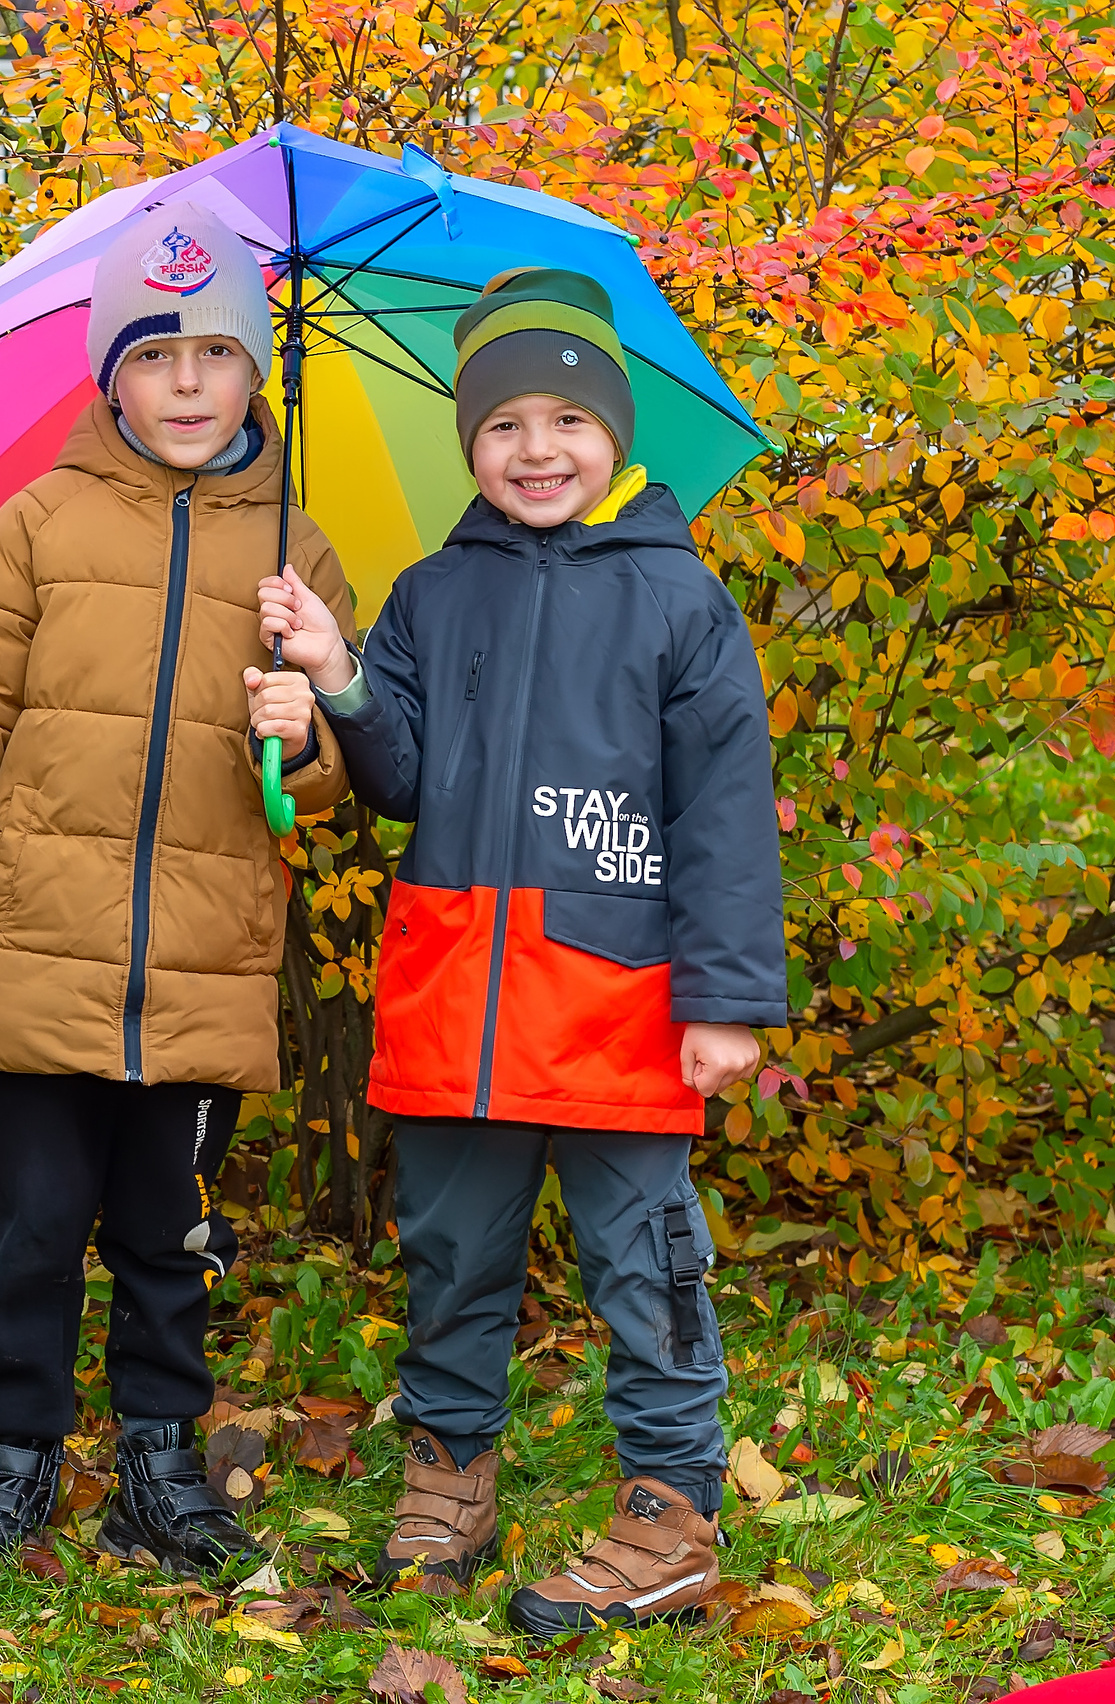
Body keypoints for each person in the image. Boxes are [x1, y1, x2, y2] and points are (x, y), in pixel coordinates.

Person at [262, 267, 783, 1632]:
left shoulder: (682, 602)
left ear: (615, 433)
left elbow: (725, 815)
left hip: (618, 996)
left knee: (644, 1256)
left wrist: (726, 1001)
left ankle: (670, 1507)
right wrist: (337, 676)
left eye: (566, 420)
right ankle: (450, 1471)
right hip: (460, 994)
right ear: (469, 443)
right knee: (452, 1248)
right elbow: (400, 778)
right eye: (503, 425)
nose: (536, 449)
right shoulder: (436, 591)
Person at [0, 201, 356, 1584]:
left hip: (198, 967)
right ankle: (13, 1464)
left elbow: (325, 786)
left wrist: (302, 730)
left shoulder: (295, 554)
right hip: (33, 955)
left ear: (259, 371)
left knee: (170, 1235)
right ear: (109, 375)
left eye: (215, 353)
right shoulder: (34, 527)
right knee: (29, 1230)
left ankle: (158, 1462)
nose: (186, 385)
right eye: (154, 355)